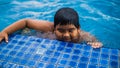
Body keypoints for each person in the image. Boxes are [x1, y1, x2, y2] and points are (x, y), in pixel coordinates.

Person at [0, 7, 102, 48]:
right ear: (54, 28)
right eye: (61, 30)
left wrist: (96, 43)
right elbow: (26, 22)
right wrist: (4, 32)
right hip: (43, 34)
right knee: (26, 32)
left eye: (71, 30)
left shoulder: (83, 35)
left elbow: (95, 41)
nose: (66, 35)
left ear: (78, 28)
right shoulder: (49, 28)